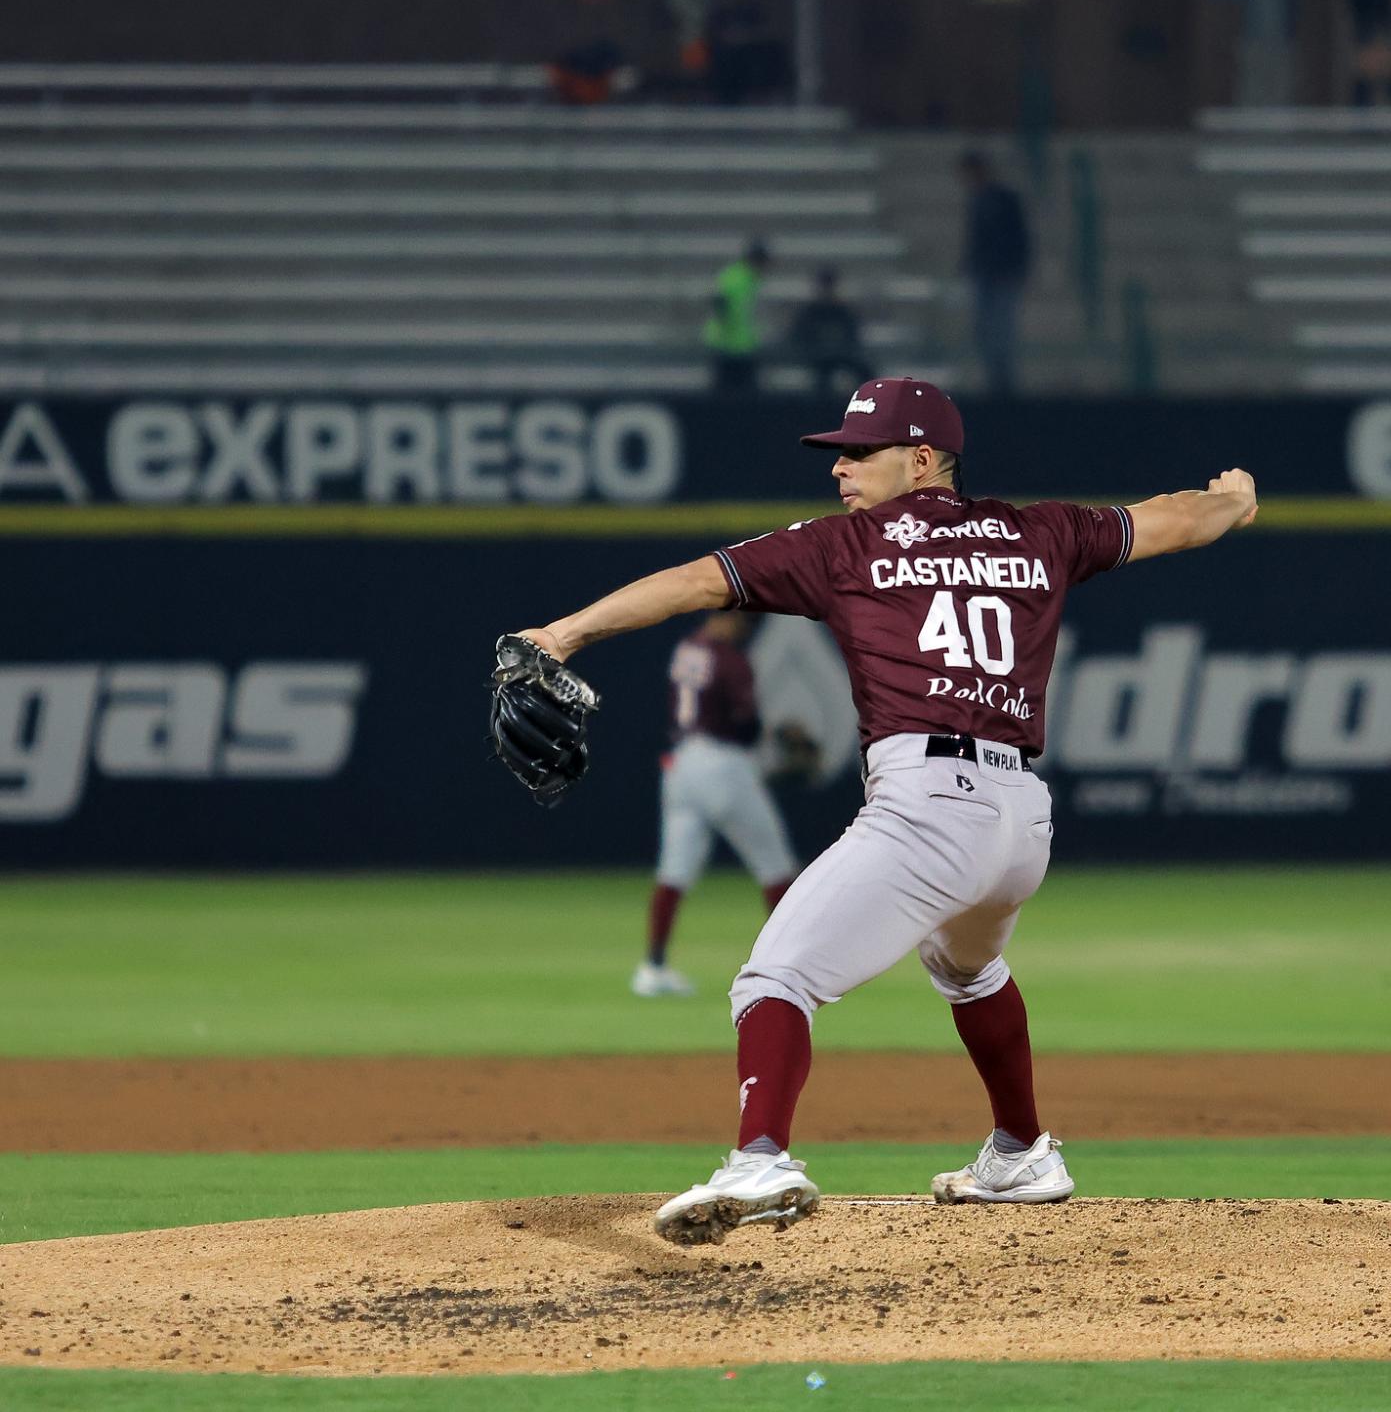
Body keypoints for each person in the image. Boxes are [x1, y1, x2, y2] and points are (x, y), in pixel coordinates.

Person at [510, 376, 1257, 1241]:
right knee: (969, 969)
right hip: (1021, 819)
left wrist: (562, 633)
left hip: (930, 805)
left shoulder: (847, 545)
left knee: (775, 977)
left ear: (923, 458)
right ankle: (1021, 1151)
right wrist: (1234, 501)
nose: (841, 468)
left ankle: (760, 1158)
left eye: (860, 452)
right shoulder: (1040, 531)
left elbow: (694, 581)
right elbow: (1174, 518)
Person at [633, 613, 799, 999]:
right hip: (723, 766)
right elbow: (746, 724)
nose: (745, 629)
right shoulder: (730, 658)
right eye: (744, 621)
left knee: (674, 872)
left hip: (682, 763)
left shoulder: (687, 648)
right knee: (776, 867)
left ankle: (652, 968)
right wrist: (777, 737)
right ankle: (793, 964)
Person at [957, 151, 1032, 396]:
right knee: (983, 329)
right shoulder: (976, 202)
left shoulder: (1005, 199)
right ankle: (994, 379)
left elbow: (1019, 237)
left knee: (1002, 329)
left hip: (1003, 274)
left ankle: (1003, 382)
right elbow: (975, 241)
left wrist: (1016, 268)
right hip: (983, 274)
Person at [786, 266, 873, 396]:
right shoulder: (810, 312)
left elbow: (853, 335)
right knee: (822, 381)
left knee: (865, 372)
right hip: (817, 356)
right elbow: (798, 336)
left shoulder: (842, 311)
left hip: (841, 354)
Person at [704, 238, 769, 394]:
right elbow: (721, 305)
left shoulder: (744, 277)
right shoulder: (738, 278)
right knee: (733, 393)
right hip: (730, 345)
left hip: (738, 344)